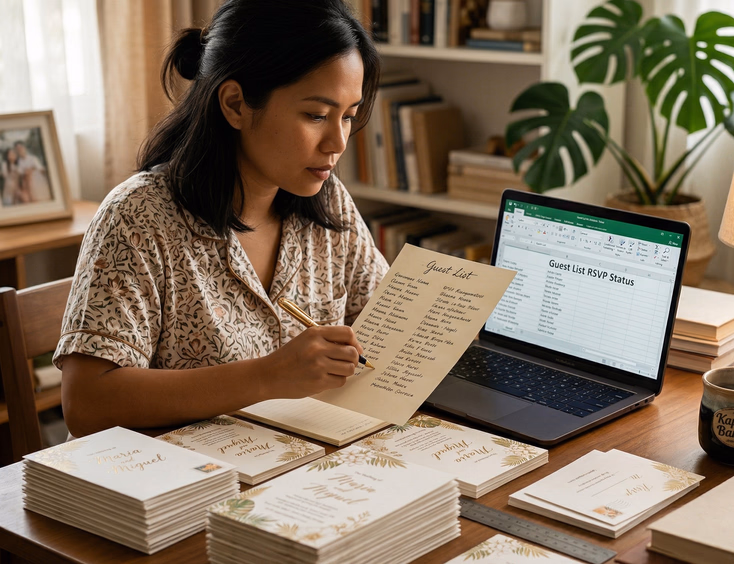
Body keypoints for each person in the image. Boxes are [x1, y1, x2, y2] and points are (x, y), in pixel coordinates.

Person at [54, 0, 388, 438]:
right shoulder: (138, 216)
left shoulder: (329, 203)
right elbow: (87, 404)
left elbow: (385, 326)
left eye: (348, 116)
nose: (338, 141)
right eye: (316, 115)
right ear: (234, 104)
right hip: (183, 490)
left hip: (308, 475)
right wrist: (268, 377)